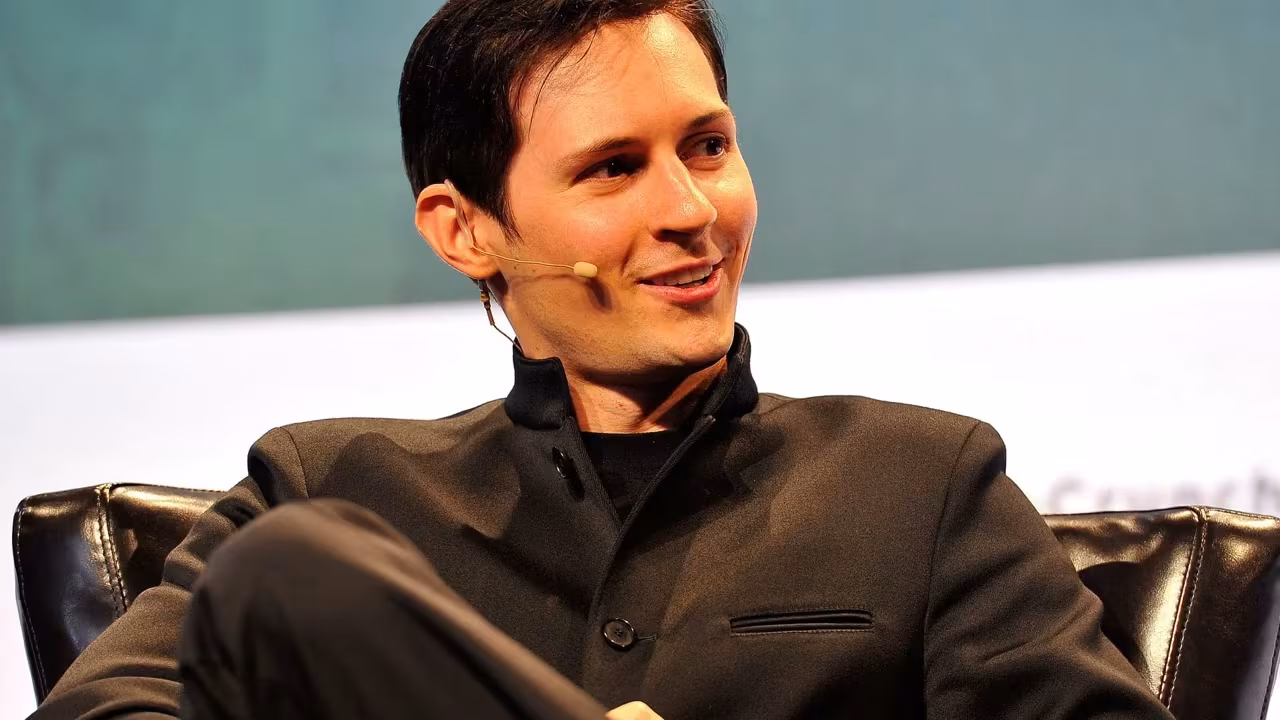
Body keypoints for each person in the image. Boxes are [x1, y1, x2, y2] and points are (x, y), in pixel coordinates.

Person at [31, 1, 1175, 719]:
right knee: (294, 571)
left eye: (707, 147)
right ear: (464, 230)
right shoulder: (332, 488)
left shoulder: (919, 485)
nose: (691, 211)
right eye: (613, 168)